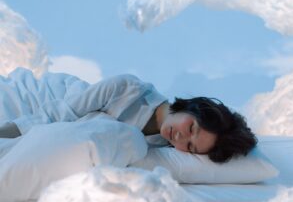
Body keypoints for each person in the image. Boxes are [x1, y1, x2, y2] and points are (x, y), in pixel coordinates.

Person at [0, 70, 257, 162]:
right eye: (191, 128)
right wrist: (10, 133)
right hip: (57, 100)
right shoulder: (128, 88)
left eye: (189, 147)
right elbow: (62, 112)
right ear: (192, 108)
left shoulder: (160, 148)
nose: (180, 137)